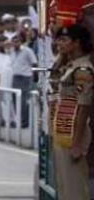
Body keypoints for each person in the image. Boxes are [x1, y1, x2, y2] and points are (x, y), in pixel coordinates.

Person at [51, 24, 93, 199]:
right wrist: (60, 56)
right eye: (58, 39)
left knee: (74, 186)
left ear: (77, 43)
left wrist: (77, 144)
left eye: (64, 40)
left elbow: (84, 107)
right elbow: (53, 80)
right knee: (63, 185)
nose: (59, 43)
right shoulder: (68, 65)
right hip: (62, 129)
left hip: (74, 132)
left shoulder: (83, 69)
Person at [10, 33, 37, 128]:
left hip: (25, 77)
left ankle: (25, 122)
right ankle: (18, 119)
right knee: (14, 99)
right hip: (15, 77)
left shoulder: (27, 51)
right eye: (13, 42)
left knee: (23, 100)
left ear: (21, 42)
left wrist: (34, 77)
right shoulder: (12, 51)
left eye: (17, 41)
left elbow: (34, 63)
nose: (15, 44)